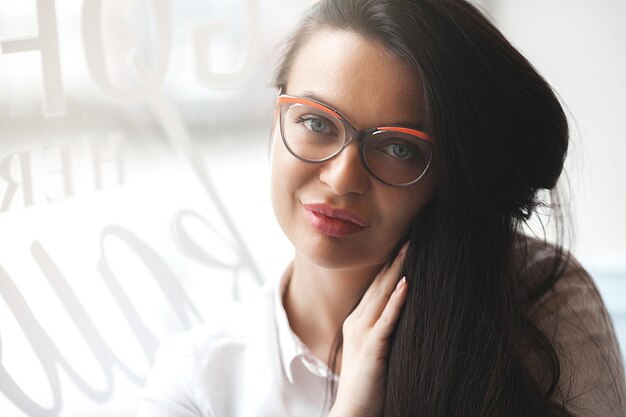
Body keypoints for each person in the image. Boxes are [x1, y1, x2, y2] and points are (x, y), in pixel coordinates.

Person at [137, 0, 626, 416]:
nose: (342, 178)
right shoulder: (198, 384)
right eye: (316, 122)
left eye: (398, 148)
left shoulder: (540, 300)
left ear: (443, 174)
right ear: (275, 124)